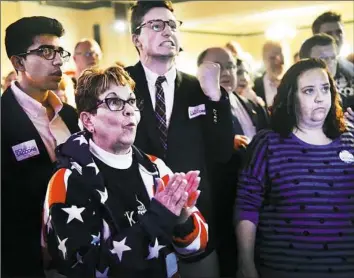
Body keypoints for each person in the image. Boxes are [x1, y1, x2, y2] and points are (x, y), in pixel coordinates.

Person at [42, 66, 208, 277]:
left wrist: (181, 219)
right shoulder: (67, 181)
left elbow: (196, 247)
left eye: (131, 101)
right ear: (88, 120)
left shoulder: (155, 168)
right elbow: (86, 268)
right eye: (114, 102)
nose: (129, 110)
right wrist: (158, 218)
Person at [125, 1, 234, 277]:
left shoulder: (200, 88)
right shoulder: (121, 84)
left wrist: (217, 99)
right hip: (139, 220)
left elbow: (222, 153)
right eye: (156, 25)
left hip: (196, 219)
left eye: (172, 25)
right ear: (136, 38)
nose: (167, 31)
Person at [235, 58, 354, 278]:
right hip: (284, 268)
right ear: (292, 98)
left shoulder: (349, 139)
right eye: (309, 91)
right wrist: (246, 264)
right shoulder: (268, 143)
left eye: (325, 89)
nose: (320, 98)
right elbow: (247, 206)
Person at [1, 16, 80, 277]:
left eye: (60, 52)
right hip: (27, 257)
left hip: (80, 247)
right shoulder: (3, 119)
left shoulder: (70, 115)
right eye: (46, 52)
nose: (58, 60)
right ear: (18, 61)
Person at [197, 46, 269, 277]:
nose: (226, 71)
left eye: (230, 65)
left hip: (258, 205)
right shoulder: (196, 108)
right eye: (217, 66)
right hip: (221, 206)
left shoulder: (250, 104)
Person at [299, 33, 354, 110]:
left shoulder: (347, 105)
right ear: (304, 63)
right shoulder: (294, 102)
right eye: (323, 58)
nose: (330, 63)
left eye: (333, 57)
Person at [253, 41, 285, 110]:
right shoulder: (256, 85)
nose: (278, 61)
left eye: (281, 56)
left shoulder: (292, 82)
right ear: (264, 59)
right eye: (273, 58)